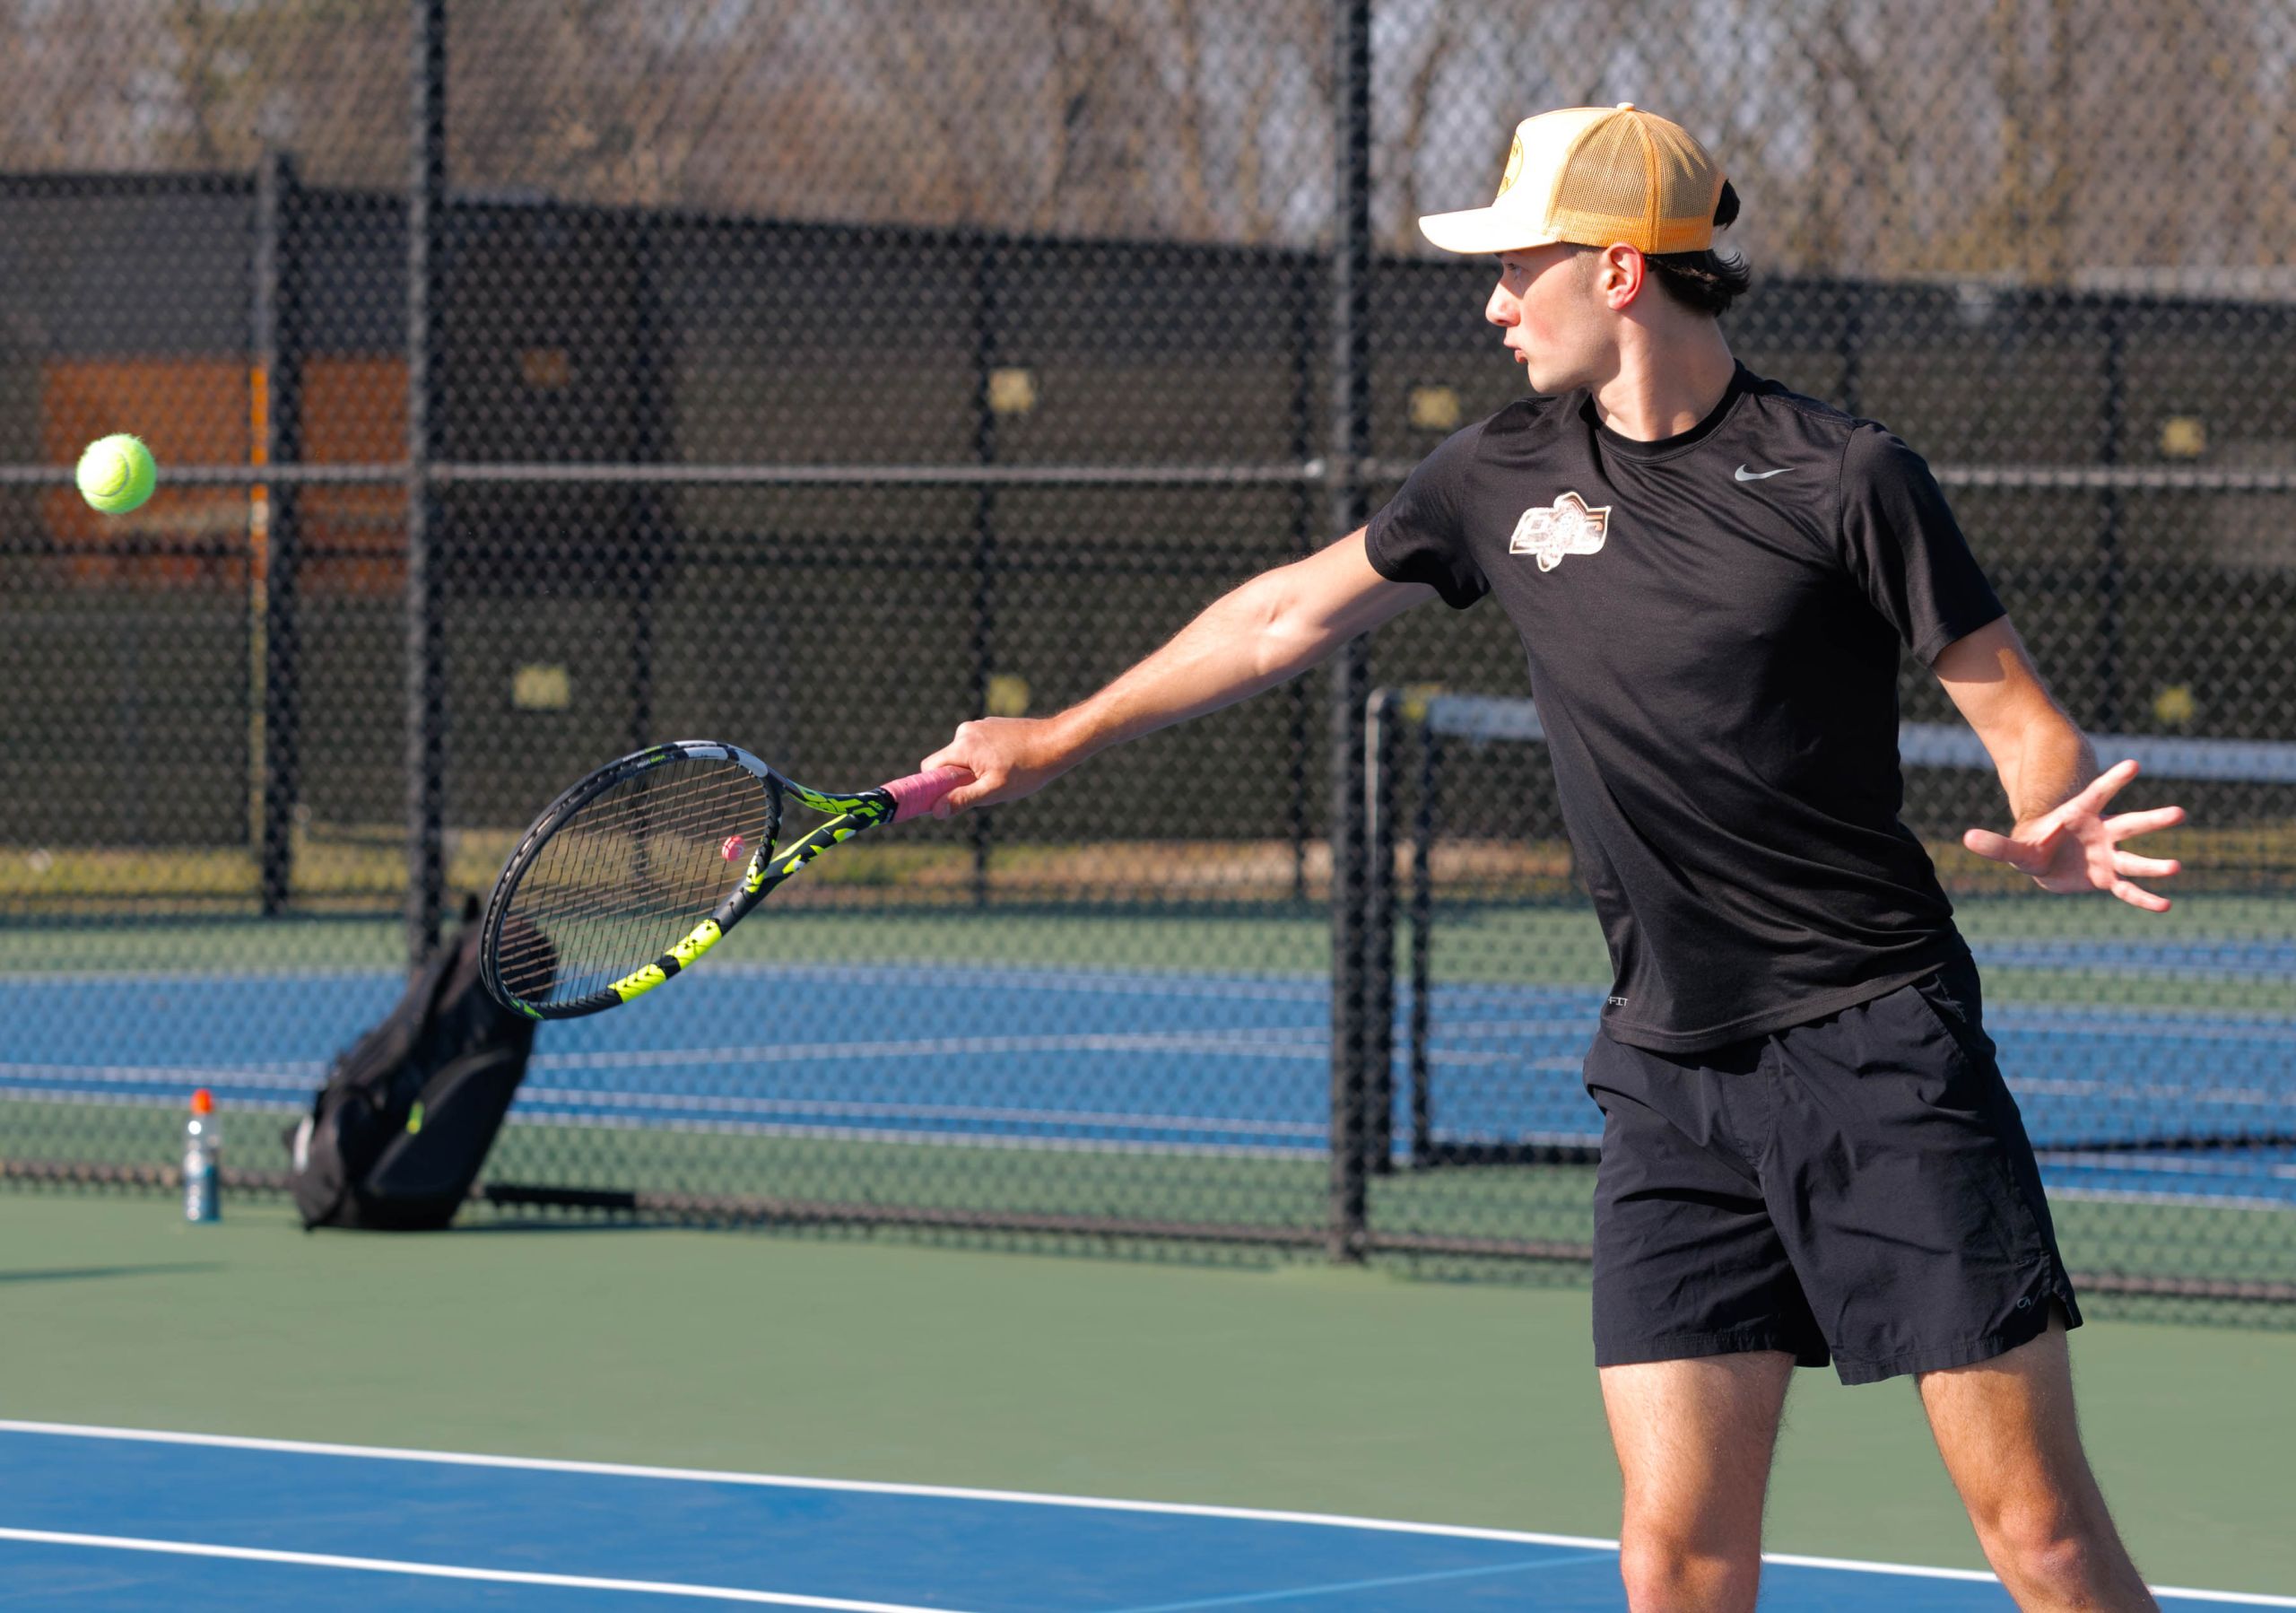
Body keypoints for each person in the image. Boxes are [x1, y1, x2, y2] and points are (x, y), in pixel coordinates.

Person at [920, 104, 2185, 1613]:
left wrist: (2049, 811)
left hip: (1878, 1050)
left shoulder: (1846, 476)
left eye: (1521, 267)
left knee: (2039, 1534)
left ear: (1624, 271)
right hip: (1667, 1073)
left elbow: (2021, 716)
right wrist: (1058, 734)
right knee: (1673, 1550)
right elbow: (1282, 614)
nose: (1494, 303)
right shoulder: (1497, 474)